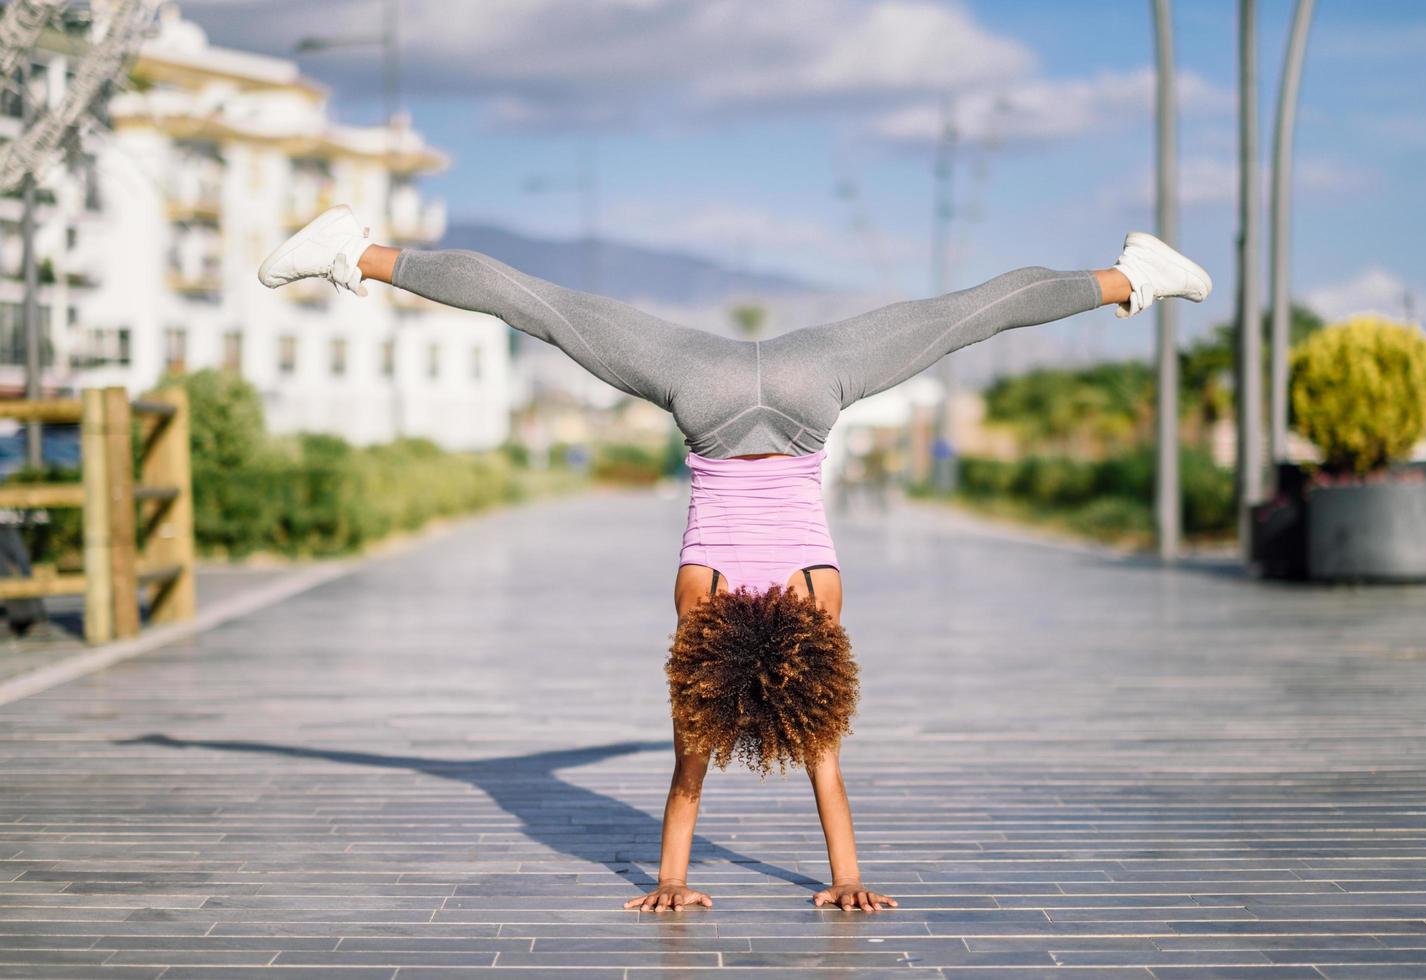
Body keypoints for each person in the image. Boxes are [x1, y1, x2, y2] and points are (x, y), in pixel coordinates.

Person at [258, 204, 1212, 914]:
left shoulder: (817, 606)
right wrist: (670, 883)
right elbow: (687, 778)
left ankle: (1132, 278)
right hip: (708, 398)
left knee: (961, 316)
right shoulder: (698, 607)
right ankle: (359, 252)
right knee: (541, 306)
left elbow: (821, 769)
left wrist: (850, 880)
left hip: (806, 391)